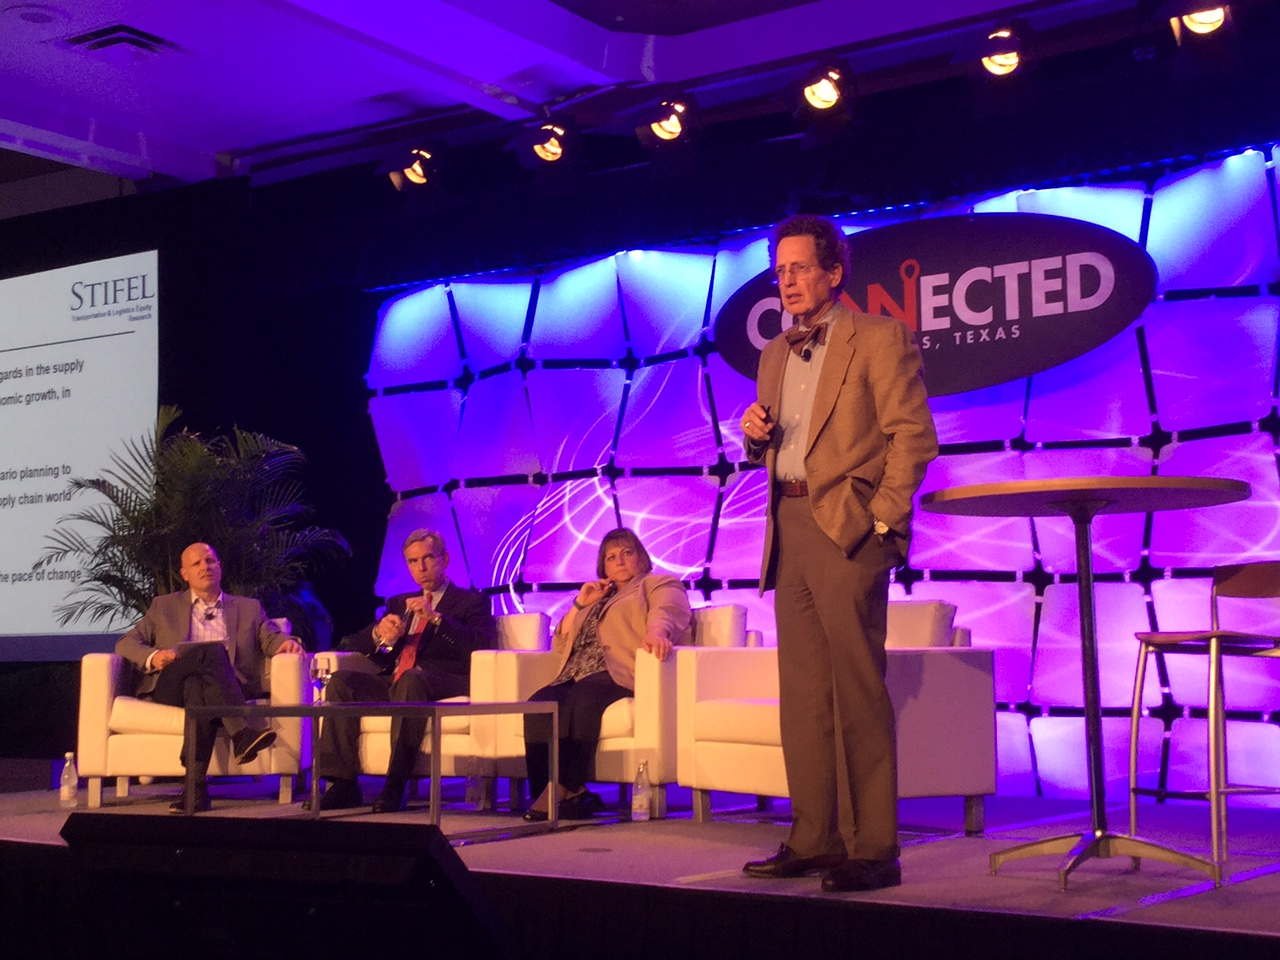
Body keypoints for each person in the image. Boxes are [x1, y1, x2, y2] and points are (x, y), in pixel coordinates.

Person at [739, 214, 938, 892]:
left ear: (833, 272)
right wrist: (753, 435)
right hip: (786, 522)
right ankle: (815, 837)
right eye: (780, 268)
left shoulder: (879, 337)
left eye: (798, 268)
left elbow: (913, 438)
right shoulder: (774, 352)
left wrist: (881, 523)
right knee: (803, 694)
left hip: (847, 527)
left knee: (855, 688)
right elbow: (774, 443)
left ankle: (874, 849)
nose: (786, 280)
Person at [313, 528, 496, 813]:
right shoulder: (399, 602)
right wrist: (380, 634)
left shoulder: (472, 600)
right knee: (340, 681)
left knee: (412, 679)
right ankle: (343, 783)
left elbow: (480, 644)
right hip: (399, 682)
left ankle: (394, 785)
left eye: (427, 558)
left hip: (447, 681)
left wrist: (436, 619)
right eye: (412, 561)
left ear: (445, 559)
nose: (420, 568)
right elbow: (362, 644)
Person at [115, 541, 305, 813]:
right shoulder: (164, 606)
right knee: (211, 654)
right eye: (197, 563)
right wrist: (155, 657)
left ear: (219, 567)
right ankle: (241, 733)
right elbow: (126, 643)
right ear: (185, 574)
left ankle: (194, 790)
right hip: (171, 686)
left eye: (210, 561)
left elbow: (271, 636)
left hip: (223, 688)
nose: (205, 567)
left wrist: (286, 644)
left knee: (198, 689)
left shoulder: (248, 608)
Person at [521, 527, 692, 822]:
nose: (620, 560)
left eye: (627, 553)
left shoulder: (656, 583)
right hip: (574, 673)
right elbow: (561, 644)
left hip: (619, 669)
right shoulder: (597, 597)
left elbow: (667, 610)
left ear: (641, 557)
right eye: (611, 557)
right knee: (538, 703)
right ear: (604, 568)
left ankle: (564, 787)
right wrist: (580, 604)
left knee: (584, 696)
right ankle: (549, 793)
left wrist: (656, 633)